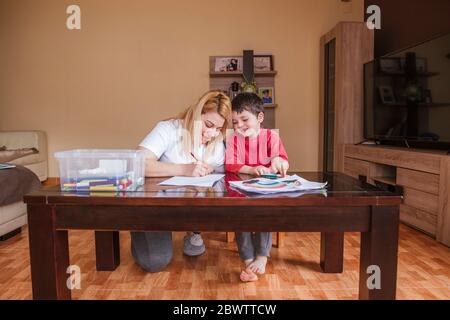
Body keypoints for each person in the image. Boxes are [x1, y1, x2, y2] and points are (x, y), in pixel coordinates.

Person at [132, 90, 232, 272]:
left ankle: (193, 229)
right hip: (157, 207)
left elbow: (227, 171)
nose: (211, 134)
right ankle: (139, 227)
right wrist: (184, 169)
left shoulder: (215, 142)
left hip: (189, 206)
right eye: (208, 124)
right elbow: (138, 164)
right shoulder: (168, 129)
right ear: (196, 114)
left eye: (218, 129)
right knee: (154, 262)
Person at [225, 92, 289, 282]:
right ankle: (247, 259)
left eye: (244, 119)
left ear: (260, 117)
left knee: (265, 213)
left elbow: (282, 159)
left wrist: (279, 162)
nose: (239, 126)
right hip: (240, 191)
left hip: (265, 191)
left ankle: (261, 256)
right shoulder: (233, 139)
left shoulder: (271, 137)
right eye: (235, 122)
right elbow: (231, 164)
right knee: (240, 216)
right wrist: (251, 170)